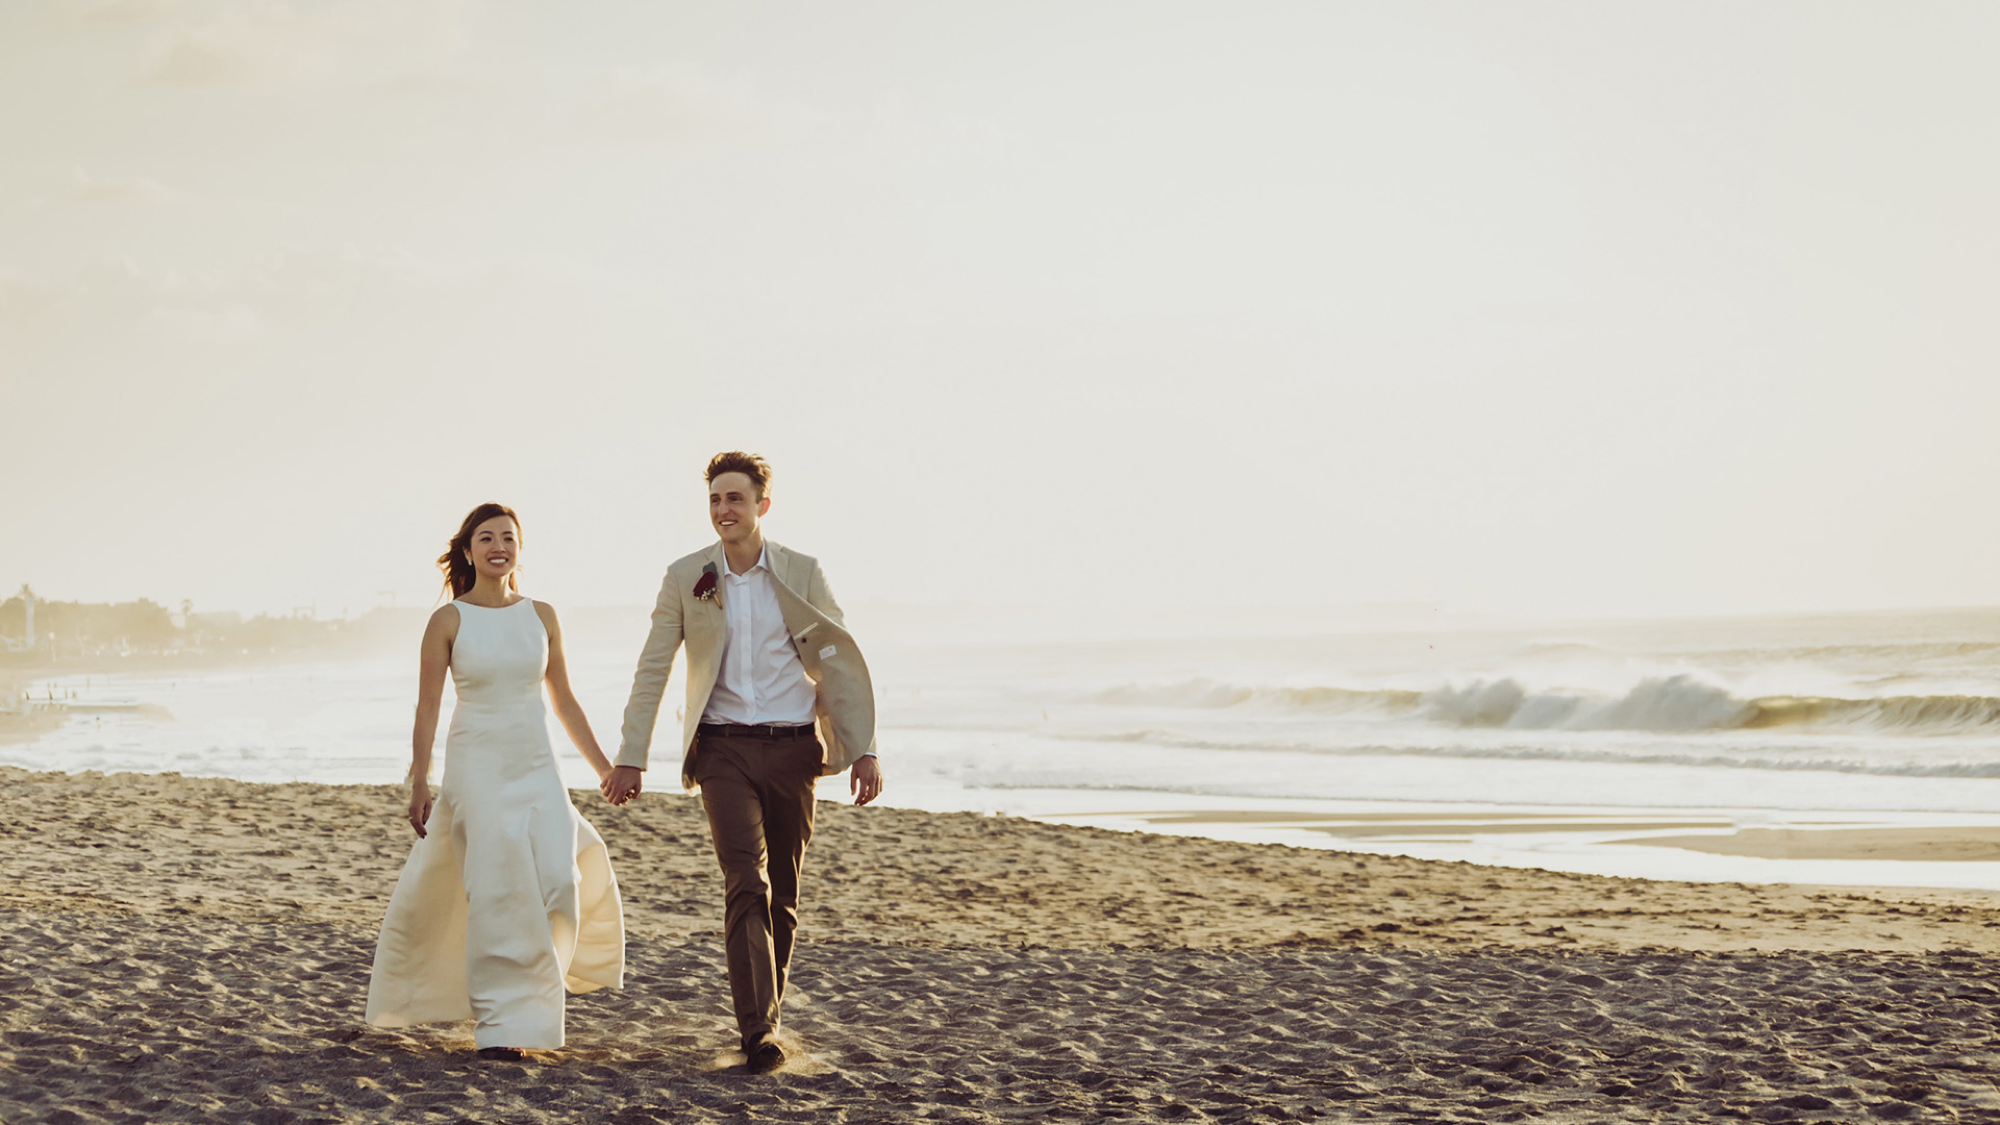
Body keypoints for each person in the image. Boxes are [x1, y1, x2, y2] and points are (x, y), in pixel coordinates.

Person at [604, 451, 883, 1074]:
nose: (723, 510)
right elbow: (653, 668)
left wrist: (863, 747)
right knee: (746, 882)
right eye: (714, 500)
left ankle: (768, 1017)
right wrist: (631, 756)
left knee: (783, 893)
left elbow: (839, 660)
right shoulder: (686, 576)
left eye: (735, 498)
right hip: (723, 749)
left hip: (792, 750)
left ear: (762, 504)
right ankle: (758, 1033)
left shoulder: (802, 571)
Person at [364, 503, 625, 1060]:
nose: (498, 546)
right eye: (487, 537)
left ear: (518, 549)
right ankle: (505, 1025)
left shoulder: (542, 615)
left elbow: (565, 700)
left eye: (508, 537)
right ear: (468, 549)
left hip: (536, 765)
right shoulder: (449, 620)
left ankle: (532, 995)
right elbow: (427, 707)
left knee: (559, 882)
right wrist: (420, 782)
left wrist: (605, 768)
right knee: (500, 892)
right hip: (477, 767)